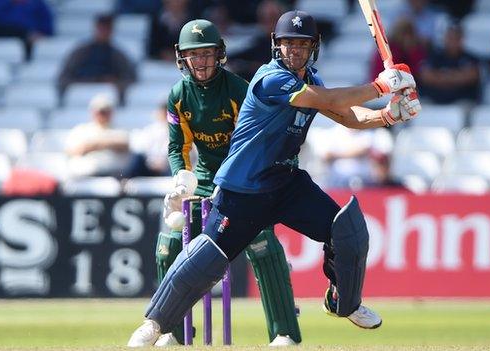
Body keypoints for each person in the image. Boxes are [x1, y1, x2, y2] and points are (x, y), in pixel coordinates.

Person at [127, 10, 421, 346]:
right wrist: (380, 86)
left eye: (302, 44)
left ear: (314, 48)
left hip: (286, 182)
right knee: (205, 259)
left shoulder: (312, 79)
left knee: (348, 231)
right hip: (244, 188)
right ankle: (155, 324)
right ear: (276, 46)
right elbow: (324, 100)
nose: (294, 50)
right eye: (287, 44)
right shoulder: (271, 79)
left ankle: (343, 301)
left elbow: (348, 116)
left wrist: (387, 114)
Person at [130, 19, 302, 347]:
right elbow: (176, 146)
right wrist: (182, 176)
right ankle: (174, 333)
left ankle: (283, 332)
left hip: (249, 177)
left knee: (262, 244)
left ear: (219, 54)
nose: (202, 62)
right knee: (169, 246)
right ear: (183, 58)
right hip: (207, 181)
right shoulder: (179, 95)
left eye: (207, 54)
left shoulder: (239, 90)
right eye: (195, 56)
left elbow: (255, 142)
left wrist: (235, 180)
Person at [58, 14, 137, 94]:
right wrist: (88, 82)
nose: (104, 32)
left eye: (107, 29)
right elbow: (64, 78)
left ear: (112, 30)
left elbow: (130, 79)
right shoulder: (80, 53)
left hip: (108, 97)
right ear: (96, 28)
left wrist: (114, 83)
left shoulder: (119, 56)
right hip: (80, 94)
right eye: (101, 28)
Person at [65, 94, 132, 178]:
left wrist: (96, 144)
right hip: (86, 173)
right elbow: (72, 151)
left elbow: (124, 145)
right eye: (100, 111)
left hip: (113, 173)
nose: (102, 114)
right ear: (93, 112)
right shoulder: (81, 129)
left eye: (106, 111)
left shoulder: (119, 129)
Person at [419, 23, 480, 104]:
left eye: (456, 38)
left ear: (462, 40)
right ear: (445, 38)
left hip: (462, 100)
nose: (453, 42)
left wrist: (441, 77)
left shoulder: (470, 58)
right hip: (434, 99)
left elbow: (471, 76)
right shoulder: (434, 56)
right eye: (450, 38)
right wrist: (455, 77)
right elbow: (426, 76)